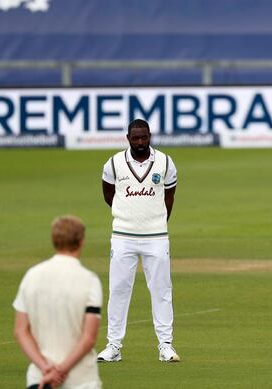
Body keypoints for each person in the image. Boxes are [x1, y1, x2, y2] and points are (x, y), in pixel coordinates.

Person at [97, 119, 180, 363]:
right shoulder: (113, 163)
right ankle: (113, 346)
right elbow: (108, 194)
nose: (140, 142)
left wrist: (155, 221)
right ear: (128, 138)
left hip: (156, 237)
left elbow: (169, 196)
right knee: (118, 291)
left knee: (162, 291)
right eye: (136, 138)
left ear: (150, 136)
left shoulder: (165, 162)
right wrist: (127, 214)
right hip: (123, 236)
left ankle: (166, 346)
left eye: (144, 137)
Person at [13, 216, 103, 389]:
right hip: (81, 380)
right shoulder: (89, 280)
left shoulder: (31, 276)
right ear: (81, 242)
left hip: (40, 377)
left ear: (54, 240)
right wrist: (61, 370)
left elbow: (21, 331)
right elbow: (88, 338)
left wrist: (45, 368)